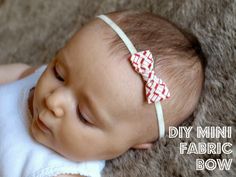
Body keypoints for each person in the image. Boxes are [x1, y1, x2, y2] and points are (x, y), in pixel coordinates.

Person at [0, 11, 206, 177]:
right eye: (59, 74)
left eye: (83, 115)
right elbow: (20, 73)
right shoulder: (39, 80)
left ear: (134, 143)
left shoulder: (55, 169)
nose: (53, 100)